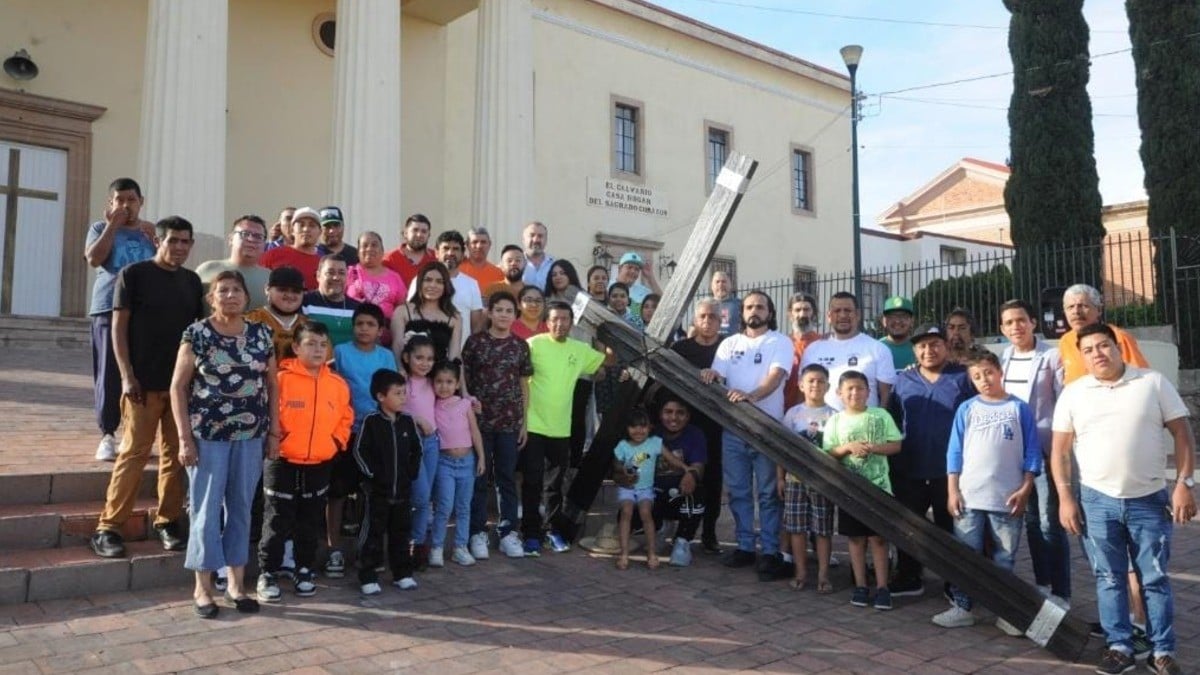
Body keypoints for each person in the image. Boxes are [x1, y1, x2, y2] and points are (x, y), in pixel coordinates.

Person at [1052, 323, 1195, 675]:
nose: (1097, 354)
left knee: (1155, 578)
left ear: (1118, 347)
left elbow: (1182, 432)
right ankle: (1119, 647)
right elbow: (1059, 451)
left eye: (1103, 346)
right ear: (1081, 357)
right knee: (1109, 578)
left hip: (1148, 500)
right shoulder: (1073, 393)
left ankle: (1162, 650)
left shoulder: (1151, 383)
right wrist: (1065, 497)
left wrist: (1184, 483)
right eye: (1088, 350)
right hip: (1097, 502)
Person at [90, 216, 204, 559]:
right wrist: (126, 375)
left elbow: (196, 333)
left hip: (179, 388)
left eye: (186, 241)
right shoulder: (134, 275)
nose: (179, 247)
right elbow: (118, 329)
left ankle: (167, 521)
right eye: (173, 241)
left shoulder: (192, 281)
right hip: (141, 384)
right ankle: (108, 527)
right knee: (133, 453)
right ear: (159, 241)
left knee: (176, 456)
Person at [170, 270, 277, 618]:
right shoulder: (197, 334)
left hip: (251, 437)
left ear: (247, 297)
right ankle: (202, 588)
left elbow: (272, 385)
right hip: (208, 436)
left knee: (242, 508)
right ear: (211, 298)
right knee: (205, 510)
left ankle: (236, 584)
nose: (230, 295)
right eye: (222, 290)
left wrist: (273, 432)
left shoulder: (262, 334)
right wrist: (185, 439)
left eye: (236, 290)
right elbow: (177, 387)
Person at [933, 351, 1041, 635]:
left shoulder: (1019, 409)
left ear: (1000, 371)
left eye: (988, 373)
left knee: (1004, 557)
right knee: (966, 554)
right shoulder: (967, 409)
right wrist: (952, 490)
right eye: (977, 376)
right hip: (969, 497)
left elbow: (1032, 451)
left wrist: (1027, 486)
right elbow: (954, 452)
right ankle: (962, 606)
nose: (984, 380)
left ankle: (1006, 611)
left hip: (1007, 497)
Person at [699, 291, 793, 580]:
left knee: (767, 494)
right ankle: (744, 546)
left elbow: (775, 378)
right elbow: (718, 374)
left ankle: (770, 551)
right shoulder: (729, 343)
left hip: (766, 428)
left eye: (760, 307)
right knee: (738, 491)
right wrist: (710, 375)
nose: (754, 311)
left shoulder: (780, 342)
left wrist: (751, 397)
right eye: (749, 307)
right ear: (742, 312)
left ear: (770, 312)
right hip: (733, 429)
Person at [256, 322, 352, 602]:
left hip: (320, 462)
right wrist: (276, 440)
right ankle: (268, 572)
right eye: (310, 344)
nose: (318, 350)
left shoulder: (337, 383)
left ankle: (304, 569)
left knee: (310, 521)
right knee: (276, 519)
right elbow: (266, 411)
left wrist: (336, 442)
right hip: (282, 460)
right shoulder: (281, 379)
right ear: (296, 347)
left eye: (323, 345)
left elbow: (346, 417)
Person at [885, 324, 975, 598]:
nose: (928, 350)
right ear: (914, 350)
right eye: (922, 346)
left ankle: (953, 581)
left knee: (950, 527)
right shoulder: (904, 380)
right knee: (908, 524)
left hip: (948, 471)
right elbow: (893, 421)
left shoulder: (963, 378)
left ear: (946, 346)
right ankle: (910, 576)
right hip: (909, 467)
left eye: (935, 344)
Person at [523, 301, 609, 556]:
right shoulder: (533, 344)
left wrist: (599, 370)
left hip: (561, 428)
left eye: (565, 319)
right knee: (531, 482)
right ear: (546, 322)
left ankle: (552, 531)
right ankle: (530, 534)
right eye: (555, 319)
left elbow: (604, 364)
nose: (560, 324)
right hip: (533, 424)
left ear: (572, 323)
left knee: (555, 484)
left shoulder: (580, 349)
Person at [998, 299, 1069, 603]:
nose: (1016, 327)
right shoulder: (1005, 356)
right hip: (1016, 451)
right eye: (1009, 322)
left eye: (1020, 320)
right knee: (1029, 520)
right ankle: (1042, 584)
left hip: (1045, 449)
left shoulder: (1052, 356)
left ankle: (1061, 591)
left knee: (1049, 522)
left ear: (1033, 322)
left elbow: (1064, 402)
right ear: (1002, 328)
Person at [84, 177, 157, 461]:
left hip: (145, 311)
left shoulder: (151, 232)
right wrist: (114, 225)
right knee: (109, 373)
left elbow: (167, 264)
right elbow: (93, 258)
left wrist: (156, 239)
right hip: (107, 306)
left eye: (131, 200)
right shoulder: (100, 228)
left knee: (141, 373)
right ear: (111, 204)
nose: (126, 205)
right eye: (120, 200)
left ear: (141, 202)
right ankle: (107, 434)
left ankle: (135, 433)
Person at [822, 370, 903, 611]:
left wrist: (873, 448)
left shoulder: (880, 415)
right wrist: (847, 447)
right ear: (839, 393)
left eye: (860, 388)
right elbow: (829, 452)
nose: (855, 393)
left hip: (879, 487)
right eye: (849, 389)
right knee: (856, 539)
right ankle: (860, 585)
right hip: (850, 490)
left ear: (869, 391)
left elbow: (896, 445)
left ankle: (882, 587)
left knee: (879, 539)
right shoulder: (835, 421)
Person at [328, 303, 397, 579]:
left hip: (375, 434)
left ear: (380, 331)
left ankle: (367, 548)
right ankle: (334, 549)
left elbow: (391, 392)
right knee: (337, 492)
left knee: (372, 493)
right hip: (346, 431)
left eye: (370, 325)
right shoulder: (341, 352)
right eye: (360, 324)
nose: (364, 329)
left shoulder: (386, 356)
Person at [462, 292, 533, 560]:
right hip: (479, 423)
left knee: (506, 478)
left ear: (515, 315)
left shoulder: (520, 346)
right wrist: (468, 404)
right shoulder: (475, 343)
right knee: (479, 477)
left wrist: (524, 422)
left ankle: (507, 533)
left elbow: (524, 383)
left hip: (509, 422)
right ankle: (477, 532)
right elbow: (464, 377)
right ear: (489, 312)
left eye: (509, 310)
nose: (504, 314)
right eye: (499, 309)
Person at [353, 369, 423, 595]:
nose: (403, 397)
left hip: (402, 492)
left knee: (401, 533)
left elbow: (416, 450)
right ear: (381, 397)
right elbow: (359, 452)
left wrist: (410, 474)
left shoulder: (408, 422)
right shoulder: (371, 422)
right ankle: (368, 575)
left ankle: (402, 573)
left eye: (404, 393)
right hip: (376, 493)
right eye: (397, 393)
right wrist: (372, 477)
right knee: (372, 534)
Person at [671, 298, 725, 554]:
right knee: (687, 475)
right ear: (695, 319)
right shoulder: (680, 348)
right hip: (687, 424)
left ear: (720, 320)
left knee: (713, 479)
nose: (707, 321)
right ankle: (683, 529)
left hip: (717, 424)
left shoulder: (728, 347)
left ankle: (710, 532)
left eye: (712, 317)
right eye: (702, 316)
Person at [778, 363, 836, 593]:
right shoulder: (793, 414)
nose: (815, 385)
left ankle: (823, 573)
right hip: (795, 479)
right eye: (811, 381)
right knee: (797, 527)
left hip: (822, 482)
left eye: (821, 381)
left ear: (828, 386)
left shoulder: (834, 415)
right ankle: (800, 571)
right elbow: (781, 448)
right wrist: (780, 477)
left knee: (822, 529)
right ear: (801, 385)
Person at [611, 406, 689, 570]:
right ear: (627, 428)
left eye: (643, 426)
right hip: (628, 487)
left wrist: (686, 468)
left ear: (650, 427)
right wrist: (623, 471)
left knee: (646, 513)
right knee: (626, 512)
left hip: (646, 488)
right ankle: (624, 553)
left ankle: (652, 553)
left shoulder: (655, 443)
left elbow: (671, 458)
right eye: (634, 426)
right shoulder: (623, 445)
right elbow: (616, 465)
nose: (638, 430)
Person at [429, 361, 486, 568]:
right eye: (439, 382)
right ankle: (436, 547)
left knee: (463, 506)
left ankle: (460, 547)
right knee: (444, 506)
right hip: (444, 463)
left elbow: (475, 431)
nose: (444, 386)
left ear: (457, 384)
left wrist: (481, 457)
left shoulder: (465, 404)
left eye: (449, 382)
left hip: (467, 462)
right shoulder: (432, 406)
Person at [801, 292, 896, 411]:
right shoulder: (813, 350)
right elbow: (803, 391)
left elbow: (886, 396)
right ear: (829, 316)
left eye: (848, 310)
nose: (842, 315)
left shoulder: (878, 349)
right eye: (837, 311)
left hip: (863, 426)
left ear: (858, 315)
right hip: (821, 425)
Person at [651, 396, 707, 568]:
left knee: (698, 492)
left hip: (681, 491)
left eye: (680, 413)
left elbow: (699, 465)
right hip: (655, 492)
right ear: (660, 414)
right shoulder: (652, 433)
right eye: (668, 412)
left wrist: (692, 474)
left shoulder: (696, 434)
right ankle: (658, 531)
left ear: (688, 416)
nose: (674, 418)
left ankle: (683, 541)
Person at [399, 333, 439, 570]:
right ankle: (412, 542)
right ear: (406, 357)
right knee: (420, 496)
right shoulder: (402, 381)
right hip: (411, 444)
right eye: (419, 358)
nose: (424, 363)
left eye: (430, 359)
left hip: (432, 443)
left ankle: (420, 545)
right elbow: (394, 408)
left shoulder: (434, 381)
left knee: (427, 498)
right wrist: (417, 419)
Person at [1059, 283, 1149, 384]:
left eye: (1083, 306)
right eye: (1070, 307)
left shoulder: (1118, 337)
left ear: (1099, 310)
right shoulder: (1065, 341)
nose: (1076, 311)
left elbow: (1140, 376)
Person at [407, 231, 483, 349]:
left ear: (463, 254)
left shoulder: (472, 284)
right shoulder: (420, 280)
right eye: (446, 248)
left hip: (458, 355)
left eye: (456, 249)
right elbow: (410, 313)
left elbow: (476, 327)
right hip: (422, 356)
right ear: (436, 252)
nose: (450, 253)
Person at [195, 215, 270, 313]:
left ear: (264, 244)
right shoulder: (206, 270)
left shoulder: (269, 277)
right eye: (245, 234)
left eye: (258, 236)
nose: (251, 240)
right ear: (231, 239)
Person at [391, 262, 462, 364]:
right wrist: (401, 371)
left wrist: (460, 379)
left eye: (439, 282)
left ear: (445, 286)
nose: (433, 285)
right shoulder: (402, 311)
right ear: (420, 283)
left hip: (439, 377)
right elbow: (397, 347)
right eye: (428, 280)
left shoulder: (454, 318)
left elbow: (454, 356)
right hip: (407, 376)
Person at [345, 231, 408, 346]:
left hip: (386, 343)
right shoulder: (348, 273)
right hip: (353, 339)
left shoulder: (395, 277)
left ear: (382, 251)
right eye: (365, 245)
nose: (369, 249)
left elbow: (402, 309)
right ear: (358, 252)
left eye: (374, 245)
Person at [246, 267, 308, 360]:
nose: (290, 295)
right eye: (282, 289)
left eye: (296, 291)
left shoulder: (310, 326)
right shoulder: (250, 321)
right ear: (267, 289)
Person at [301, 255, 361, 348]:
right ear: (318, 276)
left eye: (341, 273)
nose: (336, 277)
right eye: (330, 272)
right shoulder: (305, 302)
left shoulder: (358, 308)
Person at [259, 207, 323, 291]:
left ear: (320, 232)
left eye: (312, 225)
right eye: (301, 225)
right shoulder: (272, 256)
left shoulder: (324, 263)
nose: (306, 229)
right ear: (292, 230)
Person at [783, 293, 822, 411]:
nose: (802, 314)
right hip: (786, 406)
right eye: (797, 310)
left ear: (814, 313)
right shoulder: (782, 343)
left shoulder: (823, 343)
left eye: (806, 309)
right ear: (790, 314)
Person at [383, 213, 437, 287]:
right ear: (405, 233)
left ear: (428, 236)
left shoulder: (436, 258)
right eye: (415, 230)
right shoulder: (389, 259)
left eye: (424, 231)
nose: (419, 235)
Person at [610, 251, 661, 318]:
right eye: (629, 267)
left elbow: (664, 301)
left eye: (637, 269)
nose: (633, 271)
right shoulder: (608, 287)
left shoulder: (644, 291)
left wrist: (650, 277)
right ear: (620, 269)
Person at [460, 226, 505, 295]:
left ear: (489, 244)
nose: (479, 246)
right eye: (474, 242)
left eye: (483, 242)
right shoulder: (457, 270)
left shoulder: (499, 273)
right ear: (467, 245)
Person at [879, 296, 916, 372]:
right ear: (884, 321)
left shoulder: (921, 349)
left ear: (912, 321)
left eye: (903, 316)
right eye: (892, 316)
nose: (897, 321)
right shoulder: (876, 348)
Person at [520, 221, 555, 290]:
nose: (536, 240)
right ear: (523, 240)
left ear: (546, 240)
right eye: (532, 235)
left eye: (540, 236)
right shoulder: (513, 265)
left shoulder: (555, 265)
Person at [710, 270, 741, 338]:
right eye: (717, 282)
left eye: (724, 281)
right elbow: (694, 328)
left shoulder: (740, 304)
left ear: (730, 285)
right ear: (711, 286)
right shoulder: (705, 305)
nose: (720, 284)